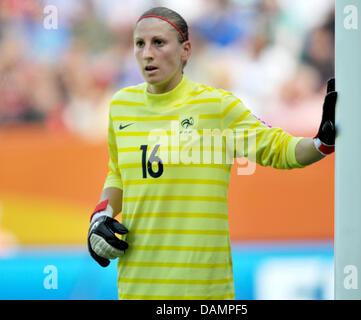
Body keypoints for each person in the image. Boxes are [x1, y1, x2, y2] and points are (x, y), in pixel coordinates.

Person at [87, 6, 337, 300]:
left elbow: (279, 149)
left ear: (185, 50)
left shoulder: (217, 107)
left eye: (159, 42)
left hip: (204, 294)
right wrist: (99, 218)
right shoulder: (121, 106)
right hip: (136, 289)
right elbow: (117, 172)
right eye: (139, 44)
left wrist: (321, 142)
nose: (147, 53)